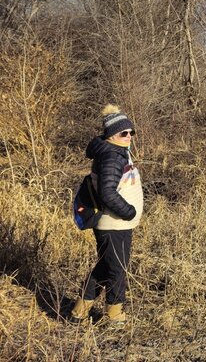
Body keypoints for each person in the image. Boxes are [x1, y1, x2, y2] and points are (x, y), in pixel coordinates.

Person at [69, 104, 143, 326]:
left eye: (131, 132)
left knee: (104, 266)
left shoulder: (115, 151)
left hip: (114, 223)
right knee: (117, 270)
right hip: (114, 224)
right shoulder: (111, 156)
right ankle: (114, 315)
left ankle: (79, 312)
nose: (129, 136)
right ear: (112, 135)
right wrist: (128, 212)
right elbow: (108, 193)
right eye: (123, 133)